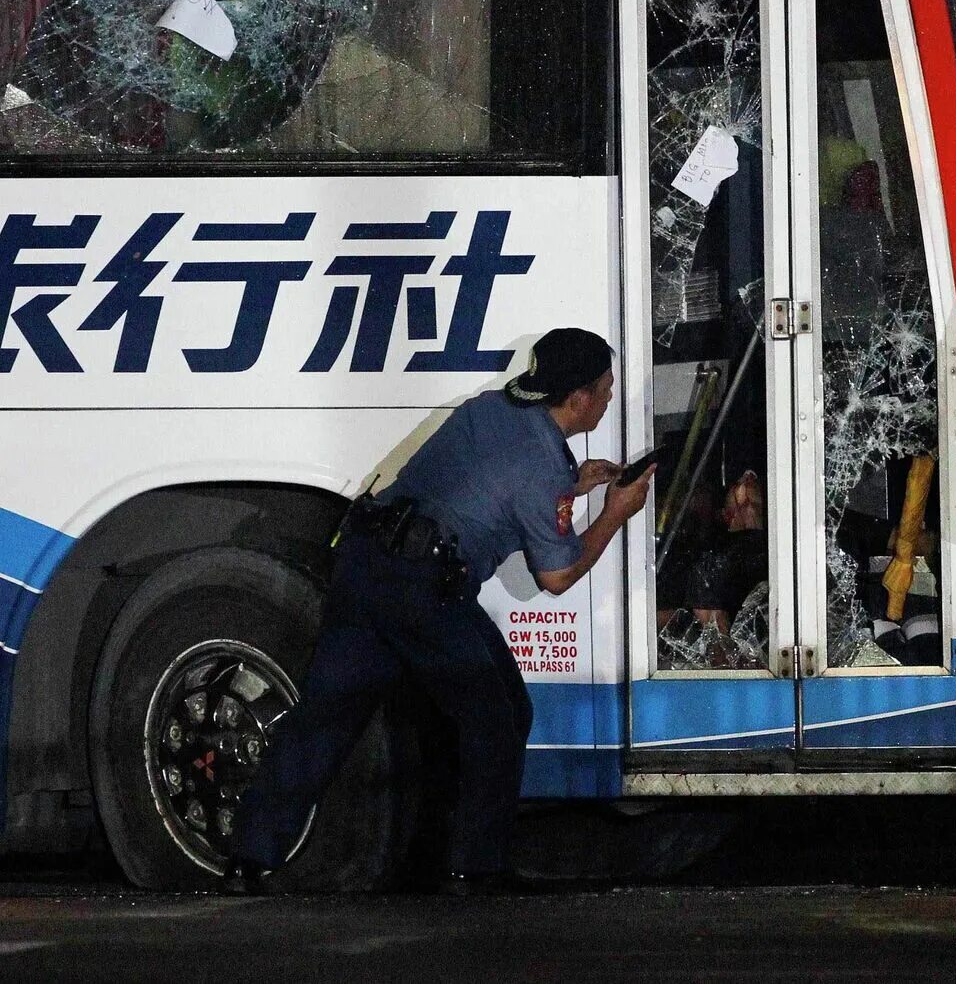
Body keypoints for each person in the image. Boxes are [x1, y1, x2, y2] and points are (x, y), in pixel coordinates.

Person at [226, 327, 653, 894]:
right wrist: (614, 514)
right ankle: (475, 869)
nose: (608, 397)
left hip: (364, 564)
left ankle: (248, 860)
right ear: (577, 398)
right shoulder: (543, 469)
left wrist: (574, 486)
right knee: (499, 714)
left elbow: (480, 480)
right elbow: (556, 576)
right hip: (422, 589)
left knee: (326, 716)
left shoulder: (489, 410)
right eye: (605, 388)